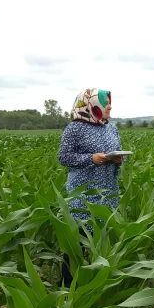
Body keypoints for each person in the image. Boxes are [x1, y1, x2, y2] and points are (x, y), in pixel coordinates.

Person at [57, 88, 124, 286]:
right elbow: (64, 157)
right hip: (83, 193)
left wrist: (118, 160)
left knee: (102, 239)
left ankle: (96, 282)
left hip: (108, 192)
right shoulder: (74, 129)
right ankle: (68, 285)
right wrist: (91, 159)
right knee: (77, 240)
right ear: (91, 105)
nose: (110, 106)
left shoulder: (111, 128)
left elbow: (118, 152)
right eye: (105, 103)